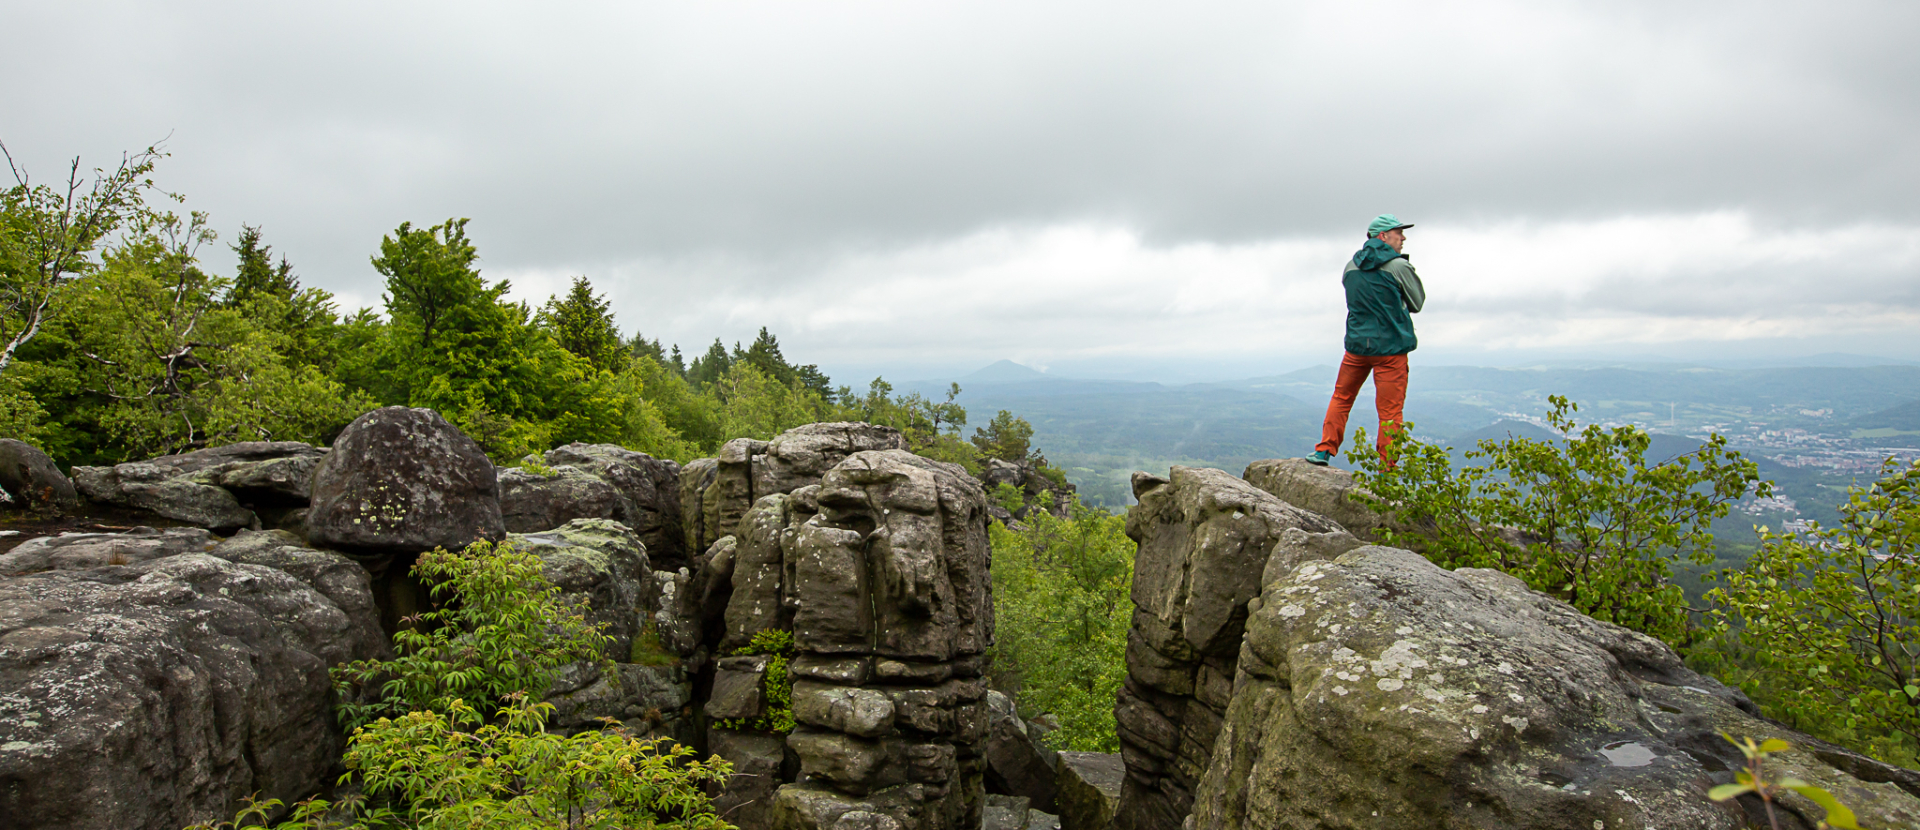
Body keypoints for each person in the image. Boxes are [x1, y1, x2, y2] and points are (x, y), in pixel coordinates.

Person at [1305, 213, 1425, 466]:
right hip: (1391, 350)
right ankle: (1387, 470)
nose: (1403, 238)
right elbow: (1417, 303)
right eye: (1398, 233)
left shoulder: (1350, 267)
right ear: (1383, 236)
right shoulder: (1399, 266)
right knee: (1390, 412)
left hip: (1357, 348)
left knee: (1341, 397)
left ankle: (1324, 450)